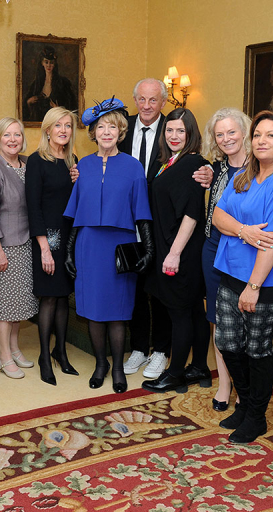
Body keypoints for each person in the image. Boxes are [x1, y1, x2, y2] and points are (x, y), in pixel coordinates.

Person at [211, 110, 273, 444]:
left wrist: (253, 286)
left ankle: (256, 416)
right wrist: (243, 230)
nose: (261, 141)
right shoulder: (246, 175)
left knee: (257, 348)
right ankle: (247, 402)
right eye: (258, 135)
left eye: (271, 136)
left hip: (263, 281)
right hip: (230, 272)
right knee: (227, 342)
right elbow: (218, 216)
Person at [64, 98, 154, 394]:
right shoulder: (83, 166)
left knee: (117, 310)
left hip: (120, 246)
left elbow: (142, 211)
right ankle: (100, 364)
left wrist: (149, 248)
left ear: (121, 132)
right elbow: (75, 214)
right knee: (92, 309)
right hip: (89, 245)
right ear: (93, 133)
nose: (106, 132)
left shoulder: (133, 166)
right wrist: (68, 251)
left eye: (112, 127)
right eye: (101, 127)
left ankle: (117, 367)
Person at [140, 108, 209, 394]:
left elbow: (192, 213)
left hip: (180, 250)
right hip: (171, 245)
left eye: (181, 130)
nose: (174, 135)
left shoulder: (194, 164)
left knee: (180, 313)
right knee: (193, 310)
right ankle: (200, 367)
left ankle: (176, 372)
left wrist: (174, 253)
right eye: (170, 130)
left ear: (191, 133)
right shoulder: (169, 162)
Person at [0, 117, 39, 379]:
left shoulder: (28, 164)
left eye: (17, 135)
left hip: (24, 245)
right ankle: (3, 355)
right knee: (2, 306)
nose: (13, 140)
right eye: (7, 135)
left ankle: (14, 348)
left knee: (19, 304)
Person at [118, 78, 173, 380]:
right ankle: (139, 347)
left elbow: (190, 160)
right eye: (142, 99)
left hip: (161, 222)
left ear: (163, 102)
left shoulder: (173, 128)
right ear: (135, 100)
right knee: (135, 288)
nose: (147, 106)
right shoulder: (122, 128)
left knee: (160, 289)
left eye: (154, 100)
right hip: (128, 222)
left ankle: (161, 351)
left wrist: (206, 171)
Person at [201, 108, 251, 409]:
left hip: (244, 251)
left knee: (243, 321)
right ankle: (224, 384)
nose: (226, 139)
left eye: (231, 132)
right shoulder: (216, 169)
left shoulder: (260, 170)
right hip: (212, 248)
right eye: (220, 134)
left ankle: (245, 386)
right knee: (218, 321)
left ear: (244, 132)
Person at [26, 107, 79, 385]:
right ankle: (44, 357)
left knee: (63, 296)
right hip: (48, 238)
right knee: (49, 297)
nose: (63, 130)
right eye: (57, 125)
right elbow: (33, 207)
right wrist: (44, 248)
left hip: (70, 238)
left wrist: (80, 182)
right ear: (47, 130)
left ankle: (61, 351)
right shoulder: (37, 161)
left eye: (68, 126)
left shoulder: (74, 162)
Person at [23, 45, 77, 122]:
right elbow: (26, 112)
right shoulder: (36, 84)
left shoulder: (63, 83)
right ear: (42, 63)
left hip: (57, 123)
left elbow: (72, 108)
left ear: (54, 64)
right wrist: (29, 102)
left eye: (51, 63)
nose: (48, 65)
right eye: (46, 62)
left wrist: (58, 109)